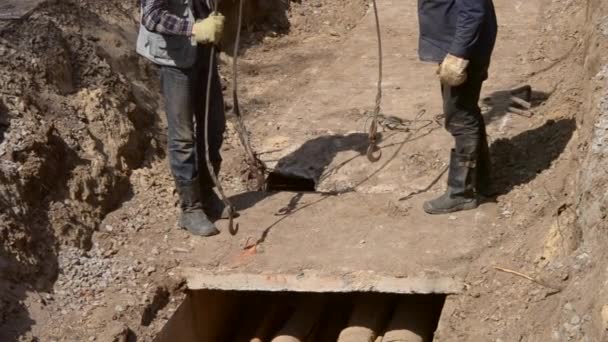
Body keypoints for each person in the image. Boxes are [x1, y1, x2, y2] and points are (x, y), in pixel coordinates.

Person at [137, 0, 233, 236]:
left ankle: (207, 191)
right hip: (175, 59)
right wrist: (193, 29)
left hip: (205, 51)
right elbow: (151, 16)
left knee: (213, 126)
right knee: (183, 136)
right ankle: (190, 208)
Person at [417, 0, 498, 214]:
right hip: (456, 43)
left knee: (460, 116)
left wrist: (458, 53)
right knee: (466, 108)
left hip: (464, 49)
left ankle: (461, 193)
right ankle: (483, 180)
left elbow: (474, 10)